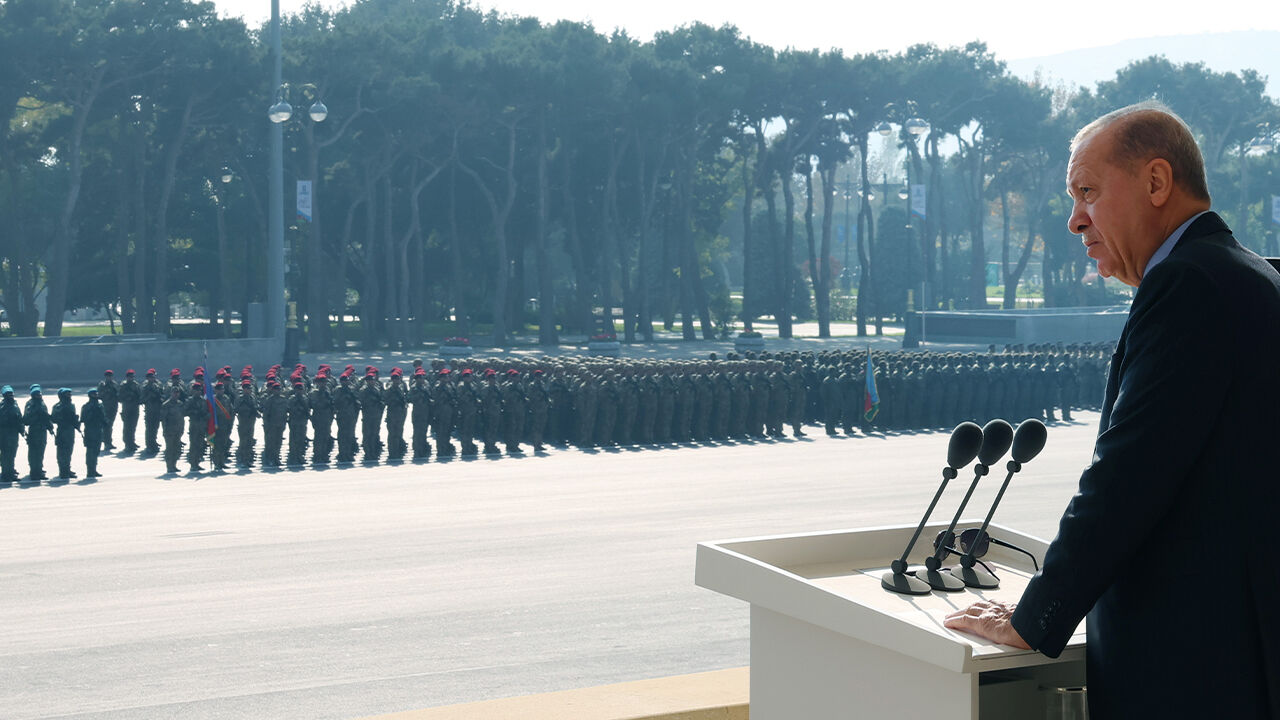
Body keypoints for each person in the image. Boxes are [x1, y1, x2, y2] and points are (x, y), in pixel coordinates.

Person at [944, 102, 1280, 719]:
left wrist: (1035, 614)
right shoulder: (1249, 274)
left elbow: (1130, 474)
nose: (1075, 221)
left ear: (1156, 182)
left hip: (1197, 670)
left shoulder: (1188, 284)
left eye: (1088, 192)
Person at [22, 384, 53, 481]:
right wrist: (35, 414)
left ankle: (39, 470)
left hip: (42, 431)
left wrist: (50, 427)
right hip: (34, 431)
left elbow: (46, 417)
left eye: (40, 394)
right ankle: (34, 471)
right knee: (33, 453)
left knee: (40, 452)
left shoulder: (42, 404)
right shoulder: (30, 405)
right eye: (37, 394)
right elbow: (26, 420)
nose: (39, 396)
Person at [50, 388, 79, 479]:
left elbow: (74, 418)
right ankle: (63, 471)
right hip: (62, 430)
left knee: (69, 451)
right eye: (67, 394)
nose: (69, 396)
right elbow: (53, 419)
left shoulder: (71, 405)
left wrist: (75, 421)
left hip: (70, 430)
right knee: (62, 452)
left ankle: (67, 469)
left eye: (70, 394)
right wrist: (62, 417)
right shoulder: (58, 407)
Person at [80, 388, 106, 478]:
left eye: (96, 394)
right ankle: (90, 471)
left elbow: (103, 417)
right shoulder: (86, 406)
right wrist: (92, 414)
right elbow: (83, 418)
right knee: (90, 451)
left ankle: (94, 469)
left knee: (96, 451)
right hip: (90, 430)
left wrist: (105, 422)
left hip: (98, 430)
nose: (96, 395)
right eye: (94, 394)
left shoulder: (99, 405)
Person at [0, 386, 23, 482]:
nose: (11, 396)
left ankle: (10, 471)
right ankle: (6, 474)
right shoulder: (3, 407)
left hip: (14, 433)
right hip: (5, 434)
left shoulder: (15, 405)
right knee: (6, 455)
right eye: (9, 394)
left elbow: (19, 418)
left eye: (12, 394)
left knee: (12, 454)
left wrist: (21, 429)